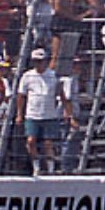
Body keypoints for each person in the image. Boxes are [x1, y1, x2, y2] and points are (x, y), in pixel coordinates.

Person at [16, 47, 73, 175]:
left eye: (41, 61)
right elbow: (21, 95)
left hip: (49, 114)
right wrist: (19, 114)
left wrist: (68, 113)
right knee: (30, 141)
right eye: (36, 61)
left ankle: (50, 168)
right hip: (32, 114)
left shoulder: (52, 75)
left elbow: (62, 95)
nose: (38, 64)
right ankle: (36, 166)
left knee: (48, 143)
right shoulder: (27, 76)